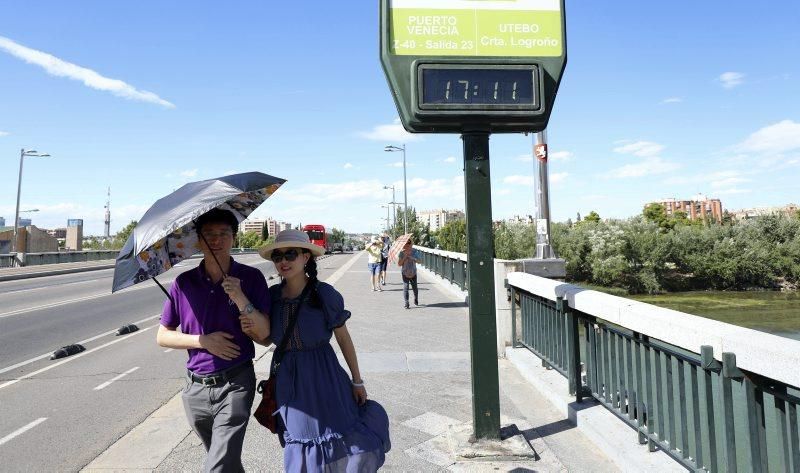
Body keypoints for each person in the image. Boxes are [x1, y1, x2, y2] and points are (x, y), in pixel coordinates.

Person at [246, 229, 390, 472]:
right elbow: (269, 340)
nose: (283, 261)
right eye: (278, 256)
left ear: (306, 257)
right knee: (300, 437)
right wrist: (251, 329)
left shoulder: (324, 295)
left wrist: (357, 381)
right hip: (288, 381)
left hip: (324, 377)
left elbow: (343, 338)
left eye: (290, 254)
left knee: (334, 434)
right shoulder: (271, 297)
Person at [156, 208, 270, 473]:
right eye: (209, 235)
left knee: (217, 465)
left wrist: (240, 297)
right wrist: (203, 341)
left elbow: (265, 335)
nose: (216, 240)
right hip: (194, 389)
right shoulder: (182, 283)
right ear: (199, 240)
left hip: (235, 383)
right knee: (223, 460)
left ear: (234, 238)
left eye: (223, 234)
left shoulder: (251, 278)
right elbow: (162, 336)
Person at [397, 238, 420, 309]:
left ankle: (416, 298)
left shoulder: (415, 251)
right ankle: (406, 302)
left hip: (413, 272)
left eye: (408, 244)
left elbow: (419, 261)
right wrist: (404, 257)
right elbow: (399, 264)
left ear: (411, 244)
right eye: (405, 244)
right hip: (405, 273)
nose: (407, 245)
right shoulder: (401, 253)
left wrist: (412, 258)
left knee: (415, 288)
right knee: (406, 287)